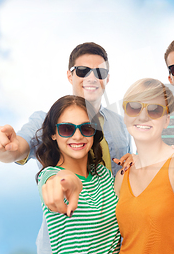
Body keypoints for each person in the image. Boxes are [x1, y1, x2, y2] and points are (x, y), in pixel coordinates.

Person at [0, 42, 132, 253]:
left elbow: (124, 177)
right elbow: (19, 150)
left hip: (116, 238)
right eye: (82, 71)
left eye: (99, 72)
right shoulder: (45, 121)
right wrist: (6, 148)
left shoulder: (121, 124)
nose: (91, 77)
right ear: (70, 76)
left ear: (107, 78)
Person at [115, 78, 174, 253]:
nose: (143, 116)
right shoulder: (123, 175)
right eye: (134, 107)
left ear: (167, 120)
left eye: (154, 110)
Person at [37, 95, 120, 253]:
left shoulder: (104, 175)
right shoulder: (50, 175)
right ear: (53, 134)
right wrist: (66, 181)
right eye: (66, 129)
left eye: (86, 127)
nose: (77, 136)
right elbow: (56, 181)